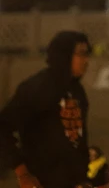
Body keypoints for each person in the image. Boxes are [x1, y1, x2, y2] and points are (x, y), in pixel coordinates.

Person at [0, 30, 91, 188]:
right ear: (64, 55)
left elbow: (79, 139)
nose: (86, 60)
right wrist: (22, 173)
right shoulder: (37, 87)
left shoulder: (77, 91)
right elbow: (3, 127)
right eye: (81, 54)